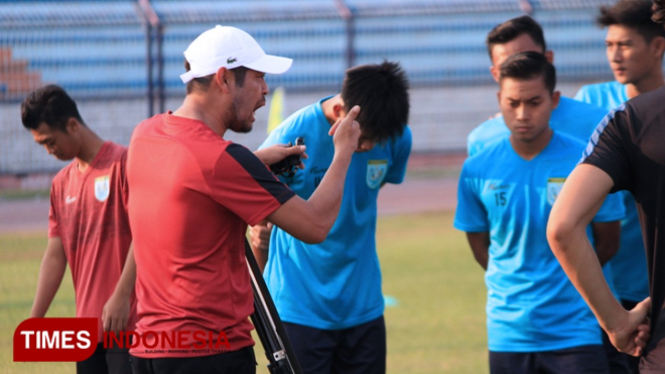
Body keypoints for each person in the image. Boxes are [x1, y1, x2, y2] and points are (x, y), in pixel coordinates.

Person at [125, 25, 361, 374]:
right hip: (210, 354)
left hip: (148, 348)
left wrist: (253, 162)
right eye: (258, 77)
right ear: (223, 78)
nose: (266, 91)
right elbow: (315, 225)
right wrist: (343, 151)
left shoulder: (146, 134)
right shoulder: (222, 160)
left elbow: (192, 182)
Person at [454, 52, 625, 374]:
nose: (522, 114)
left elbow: (608, 241)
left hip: (576, 330)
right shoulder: (477, 168)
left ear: (554, 100)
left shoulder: (587, 162)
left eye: (534, 102)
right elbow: (479, 243)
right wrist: (513, 280)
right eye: (512, 103)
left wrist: (571, 276)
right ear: (499, 99)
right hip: (508, 333)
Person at [249, 61, 411, 374]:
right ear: (340, 111)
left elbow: (361, 196)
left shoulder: (398, 138)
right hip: (298, 309)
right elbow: (257, 217)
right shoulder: (289, 139)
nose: (368, 147)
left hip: (364, 308)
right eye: (364, 139)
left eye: (376, 141)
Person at [548, 3, 665, 372]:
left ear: (658, 47)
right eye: (608, 44)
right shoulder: (592, 105)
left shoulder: (627, 120)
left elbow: (563, 225)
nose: (614, 54)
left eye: (625, 44)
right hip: (619, 285)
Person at [21, 84, 137, 374]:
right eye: (42, 145)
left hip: (130, 324)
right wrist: (35, 319)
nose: (49, 151)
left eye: (49, 142)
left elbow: (144, 236)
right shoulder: (61, 183)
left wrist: (122, 295)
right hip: (85, 332)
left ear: (72, 125)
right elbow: (55, 255)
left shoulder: (124, 164)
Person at [466, 15, 609, 156]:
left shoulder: (598, 123)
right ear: (495, 74)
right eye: (507, 65)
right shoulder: (482, 140)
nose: (520, 68)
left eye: (529, 58)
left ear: (549, 59)